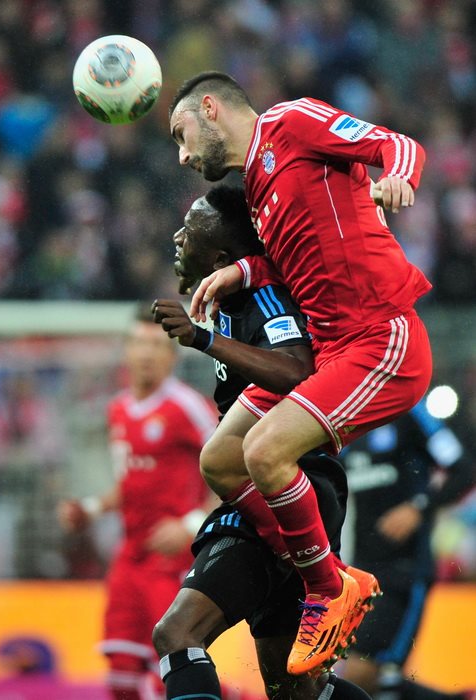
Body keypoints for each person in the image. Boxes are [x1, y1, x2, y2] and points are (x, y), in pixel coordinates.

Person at [167, 70, 432, 674]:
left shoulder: (290, 123)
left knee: (265, 453)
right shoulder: (258, 188)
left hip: (380, 339)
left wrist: (398, 178)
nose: (182, 155)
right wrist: (244, 271)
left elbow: (398, 145)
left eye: (182, 134)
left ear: (211, 108)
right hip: (334, 351)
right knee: (221, 459)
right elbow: (298, 260)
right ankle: (317, 565)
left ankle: (327, 588)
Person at [151, 184, 376, 700]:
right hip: (266, 491)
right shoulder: (234, 295)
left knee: (177, 634)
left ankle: (326, 572)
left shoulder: (267, 299)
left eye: (190, 231)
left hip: (288, 484)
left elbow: (297, 369)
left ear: (221, 257)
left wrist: (202, 338)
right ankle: (322, 569)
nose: (178, 237)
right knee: (293, 690)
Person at [58, 305, 217, 700]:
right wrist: (91, 509)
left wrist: (189, 524)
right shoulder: (119, 409)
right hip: (129, 557)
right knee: (122, 675)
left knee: (169, 671)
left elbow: (234, 471)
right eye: (138, 343)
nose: (146, 354)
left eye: (156, 345)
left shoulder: (188, 407)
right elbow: (130, 483)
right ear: (126, 350)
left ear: (172, 355)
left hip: (171, 561)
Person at [340, 399, 476, 700]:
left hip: (404, 570)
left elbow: (463, 469)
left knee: (364, 673)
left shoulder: (408, 409)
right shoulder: (343, 416)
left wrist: (418, 508)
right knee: (370, 680)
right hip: (359, 572)